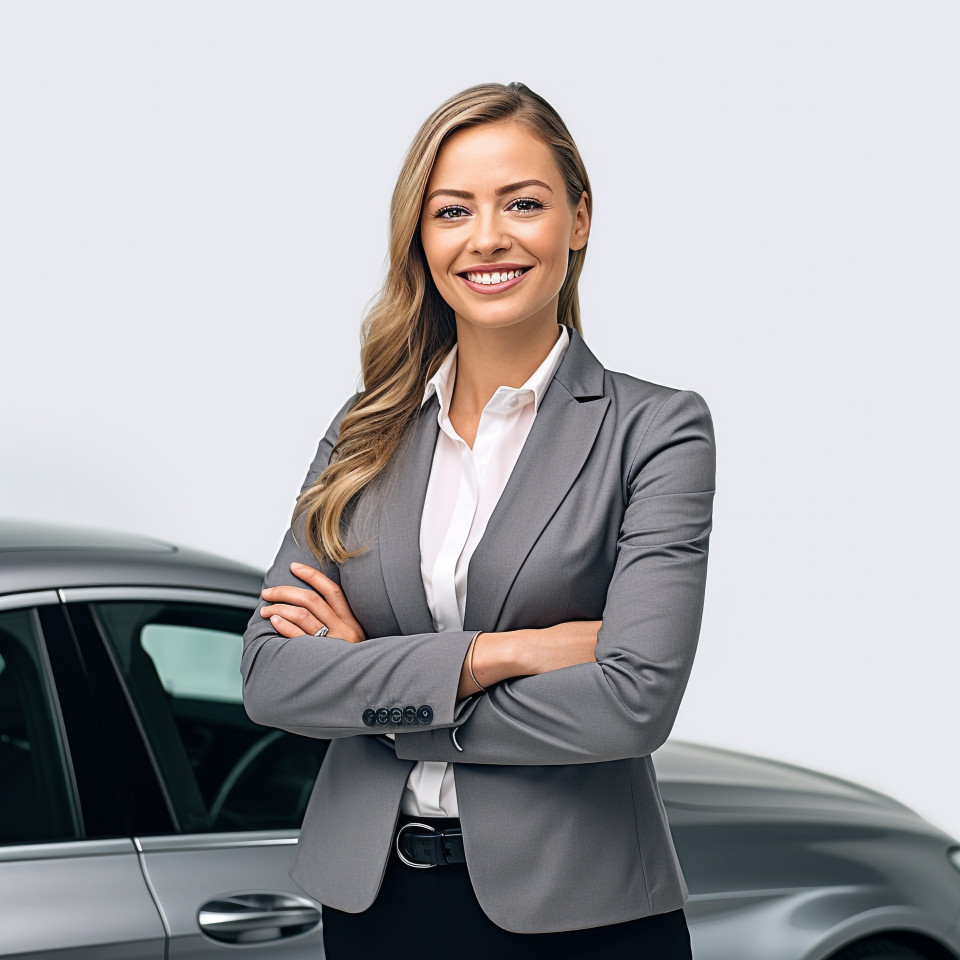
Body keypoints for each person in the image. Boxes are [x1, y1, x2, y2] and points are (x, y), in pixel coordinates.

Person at [241, 81, 715, 959]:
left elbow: (632, 703)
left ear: (578, 220)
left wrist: (372, 688)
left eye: (523, 204)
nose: (487, 237)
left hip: (582, 912)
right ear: (421, 238)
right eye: (452, 210)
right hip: (375, 906)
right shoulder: (363, 431)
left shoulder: (655, 428)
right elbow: (271, 677)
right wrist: (504, 654)